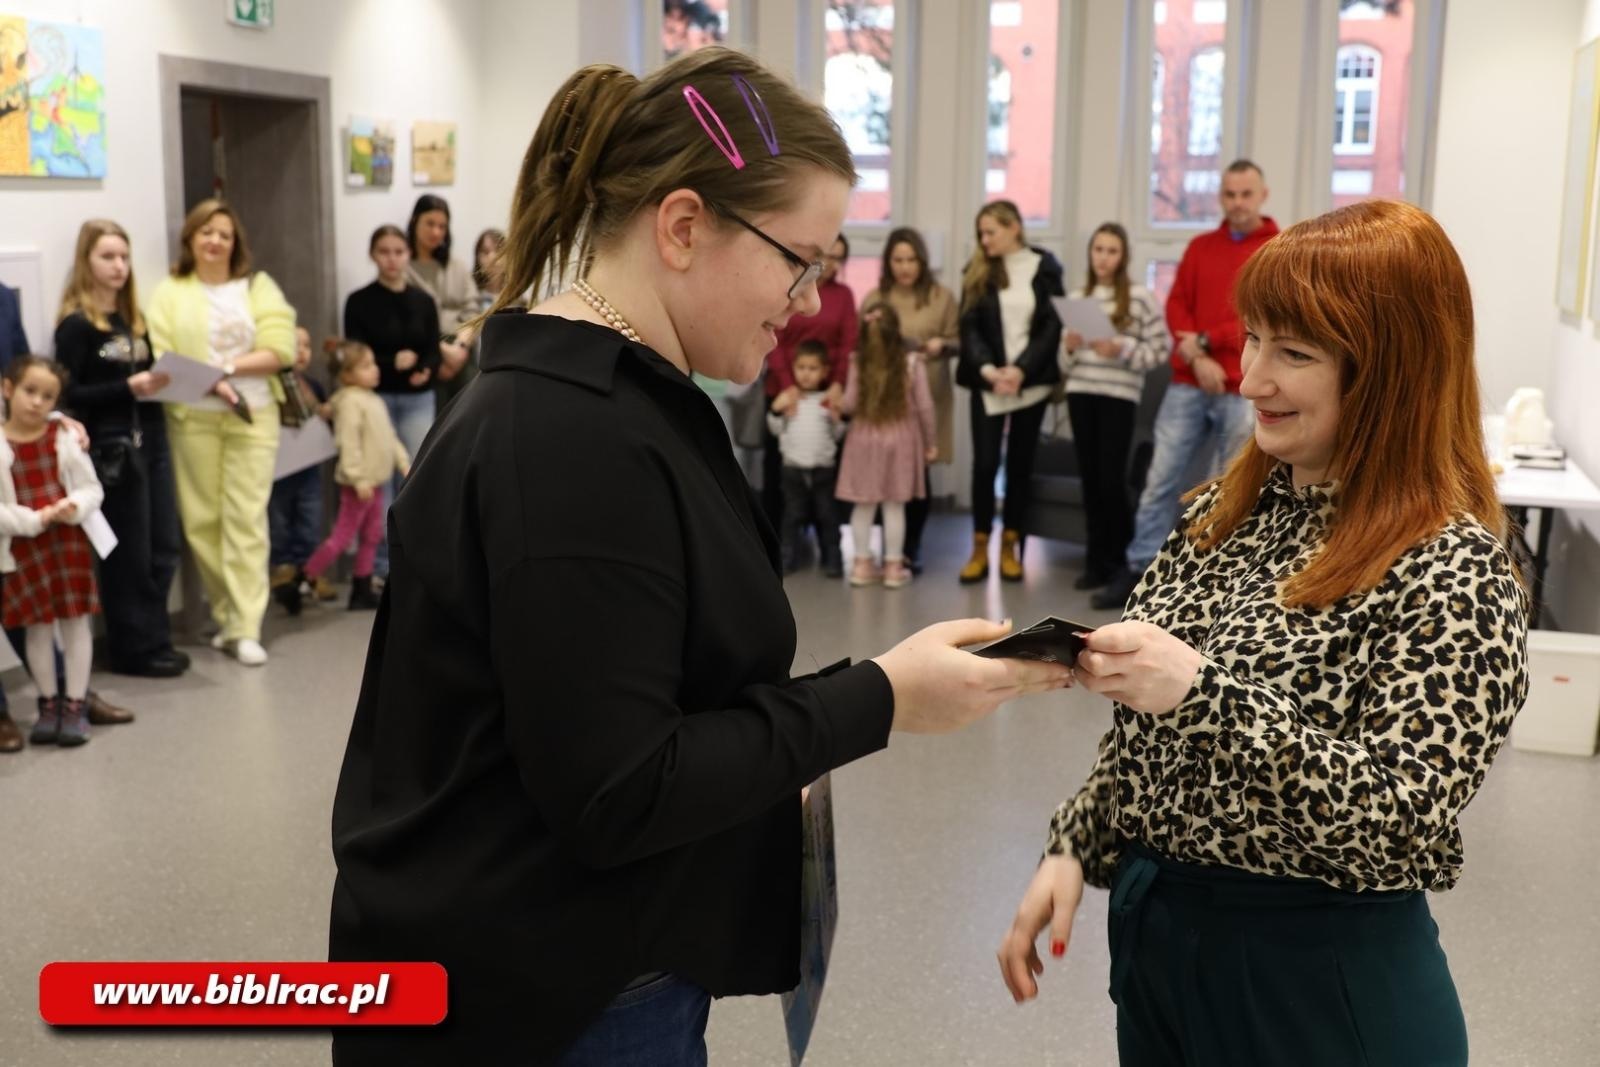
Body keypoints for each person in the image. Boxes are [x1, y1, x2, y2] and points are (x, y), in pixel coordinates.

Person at [328, 47, 1073, 1065]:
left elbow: (630, 693)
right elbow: (621, 785)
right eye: (794, 257)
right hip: (552, 999)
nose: (807, 300)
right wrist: (880, 698)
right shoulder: (571, 435)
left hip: (585, 965)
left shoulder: (622, 397)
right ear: (682, 226)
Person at [996, 200, 1529, 1067]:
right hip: (1166, 952)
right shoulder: (1222, 513)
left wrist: (1203, 694)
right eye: (1252, 340)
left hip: (1318, 983)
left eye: (1294, 353)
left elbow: (1397, 822)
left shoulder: (1453, 569)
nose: (1249, 380)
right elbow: (1148, 733)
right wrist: (1078, 841)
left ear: (1388, 370)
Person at [1093, 161, 1279, 609]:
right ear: (1221, 197)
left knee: (1230, 485)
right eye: (1229, 194)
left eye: (1245, 194)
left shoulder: (1276, 250)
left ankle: (1209, 579)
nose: (1237, 203)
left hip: (1242, 384)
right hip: (1187, 380)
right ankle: (1140, 571)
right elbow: (1176, 307)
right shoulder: (1200, 247)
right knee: (1160, 478)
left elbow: (1260, 317)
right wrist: (1197, 357)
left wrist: (1209, 342)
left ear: (1262, 195)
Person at [146, 199, 296, 667]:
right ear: (191, 238)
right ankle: (229, 614)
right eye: (206, 232)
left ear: (236, 244)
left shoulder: (257, 286)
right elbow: (164, 354)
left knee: (246, 518)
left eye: (224, 234)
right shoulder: (170, 292)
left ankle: (246, 625)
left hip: (253, 412)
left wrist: (225, 368)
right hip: (193, 416)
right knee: (202, 521)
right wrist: (210, 380)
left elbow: (281, 348)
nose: (214, 241)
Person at [53, 219, 189, 678]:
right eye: (107, 257)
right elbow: (68, 398)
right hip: (112, 449)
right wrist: (126, 387)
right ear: (86, 262)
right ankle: (132, 647)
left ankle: (155, 638)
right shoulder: (76, 327)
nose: (119, 267)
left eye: (124, 257)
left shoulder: (133, 320)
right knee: (128, 553)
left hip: (153, 437)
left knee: (164, 546)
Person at [956, 199, 1065, 584]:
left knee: (1019, 466)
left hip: (1029, 384)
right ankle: (980, 545)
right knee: (985, 465)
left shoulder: (1045, 266)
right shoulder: (977, 270)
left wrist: (1020, 370)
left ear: (1015, 227)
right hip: (988, 384)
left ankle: (1010, 546)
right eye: (981, 233)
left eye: (991, 232)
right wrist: (990, 371)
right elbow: (968, 328)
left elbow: (1051, 326)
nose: (984, 240)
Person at [0, 357, 104, 747]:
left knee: (76, 623)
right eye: (29, 391)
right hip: (24, 547)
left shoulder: (64, 438)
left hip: (67, 544)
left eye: (48, 396)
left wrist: (73, 507)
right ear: (7, 389)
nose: (37, 402)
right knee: (38, 628)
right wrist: (36, 519)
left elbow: (91, 488)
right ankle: (48, 704)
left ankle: (74, 704)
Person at [1060, 223, 1170, 591]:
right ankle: (1094, 563)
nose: (1103, 257)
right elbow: (1064, 365)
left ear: (1123, 257)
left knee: (1111, 480)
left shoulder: (1139, 297)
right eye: (1098, 249)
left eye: (1111, 250)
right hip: (1081, 393)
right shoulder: (1078, 297)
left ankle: (1118, 563)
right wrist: (1072, 347)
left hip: (1118, 397)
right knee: (1090, 481)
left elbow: (1159, 350)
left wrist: (1120, 347)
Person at [343, 224, 441, 582]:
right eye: (384, 251)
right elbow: (354, 354)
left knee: (415, 476)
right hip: (375, 398)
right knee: (379, 480)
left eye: (398, 252)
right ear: (373, 255)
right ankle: (382, 565)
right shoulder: (359, 301)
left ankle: (413, 559)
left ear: (408, 255)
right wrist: (389, 363)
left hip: (417, 398)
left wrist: (422, 369)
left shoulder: (423, 300)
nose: (392, 259)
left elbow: (432, 350)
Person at [860, 226, 959, 574]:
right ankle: (887, 550)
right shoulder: (875, 298)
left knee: (918, 477)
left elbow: (957, 339)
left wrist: (940, 345)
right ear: (888, 262)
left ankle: (909, 548)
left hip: (929, 396)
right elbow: (864, 347)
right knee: (886, 478)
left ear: (922, 261)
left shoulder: (940, 296)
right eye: (898, 260)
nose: (904, 267)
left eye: (911, 259)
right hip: (887, 404)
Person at [298, 339, 408, 612]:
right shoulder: (349, 403)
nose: (375, 370)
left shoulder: (373, 399)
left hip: (375, 482)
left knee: (372, 535)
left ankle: (362, 586)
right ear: (346, 375)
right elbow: (348, 443)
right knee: (343, 538)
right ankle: (304, 577)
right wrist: (357, 477)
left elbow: (388, 436)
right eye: (365, 366)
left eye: (373, 364)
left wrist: (404, 462)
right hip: (359, 484)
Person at [836, 304, 936, 589]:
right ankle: (893, 566)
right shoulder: (912, 362)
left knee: (863, 505)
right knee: (895, 506)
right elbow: (925, 407)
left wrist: (835, 405)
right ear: (897, 332)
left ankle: (861, 564)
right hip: (901, 440)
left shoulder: (857, 361)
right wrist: (930, 443)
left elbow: (851, 403)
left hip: (864, 439)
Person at [761, 232, 856, 530]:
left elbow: (847, 345)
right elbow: (775, 339)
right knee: (780, 474)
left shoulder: (844, 296)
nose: (834, 263)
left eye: (840, 257)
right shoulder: (792, 287)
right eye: (829, 255)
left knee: (822, 476)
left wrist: (838, 384)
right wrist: (789, 385)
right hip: (784, 391)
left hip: (824, 396)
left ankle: (823, 541)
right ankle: (779, 542)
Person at [269, 326, 334, 615]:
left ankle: (308, 568)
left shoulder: (313, 385)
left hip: (309, 463)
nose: (302, 352)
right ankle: (284, 570)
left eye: (307, 346)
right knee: (279, 517)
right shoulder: (273, 384)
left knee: (310, 514)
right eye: (294, 345)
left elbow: (320, 418)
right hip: (280, 466)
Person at [767, 340, 844, 576]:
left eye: (813, 368)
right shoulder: (790, 399)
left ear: (824, 371)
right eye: (801, 368)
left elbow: (838, 436)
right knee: (792, 515)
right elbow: (775, 430)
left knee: (828, 514)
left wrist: (836, 418)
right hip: (793, 469)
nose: (806, 374)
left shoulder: (827, 400)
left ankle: (832, 557)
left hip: (823, 469)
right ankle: (787, 557)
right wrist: (775, 411)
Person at [406, 194, 477, 408]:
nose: (436, 232)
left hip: (462, 350)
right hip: (425, 355)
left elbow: (473, 312)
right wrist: (441, 352)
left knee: (468, 415)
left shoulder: (457, 266)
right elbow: (406, 321)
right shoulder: (403, 269)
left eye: (442, 226)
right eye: (430, 224)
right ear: (414, 221)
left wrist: (461, 348)